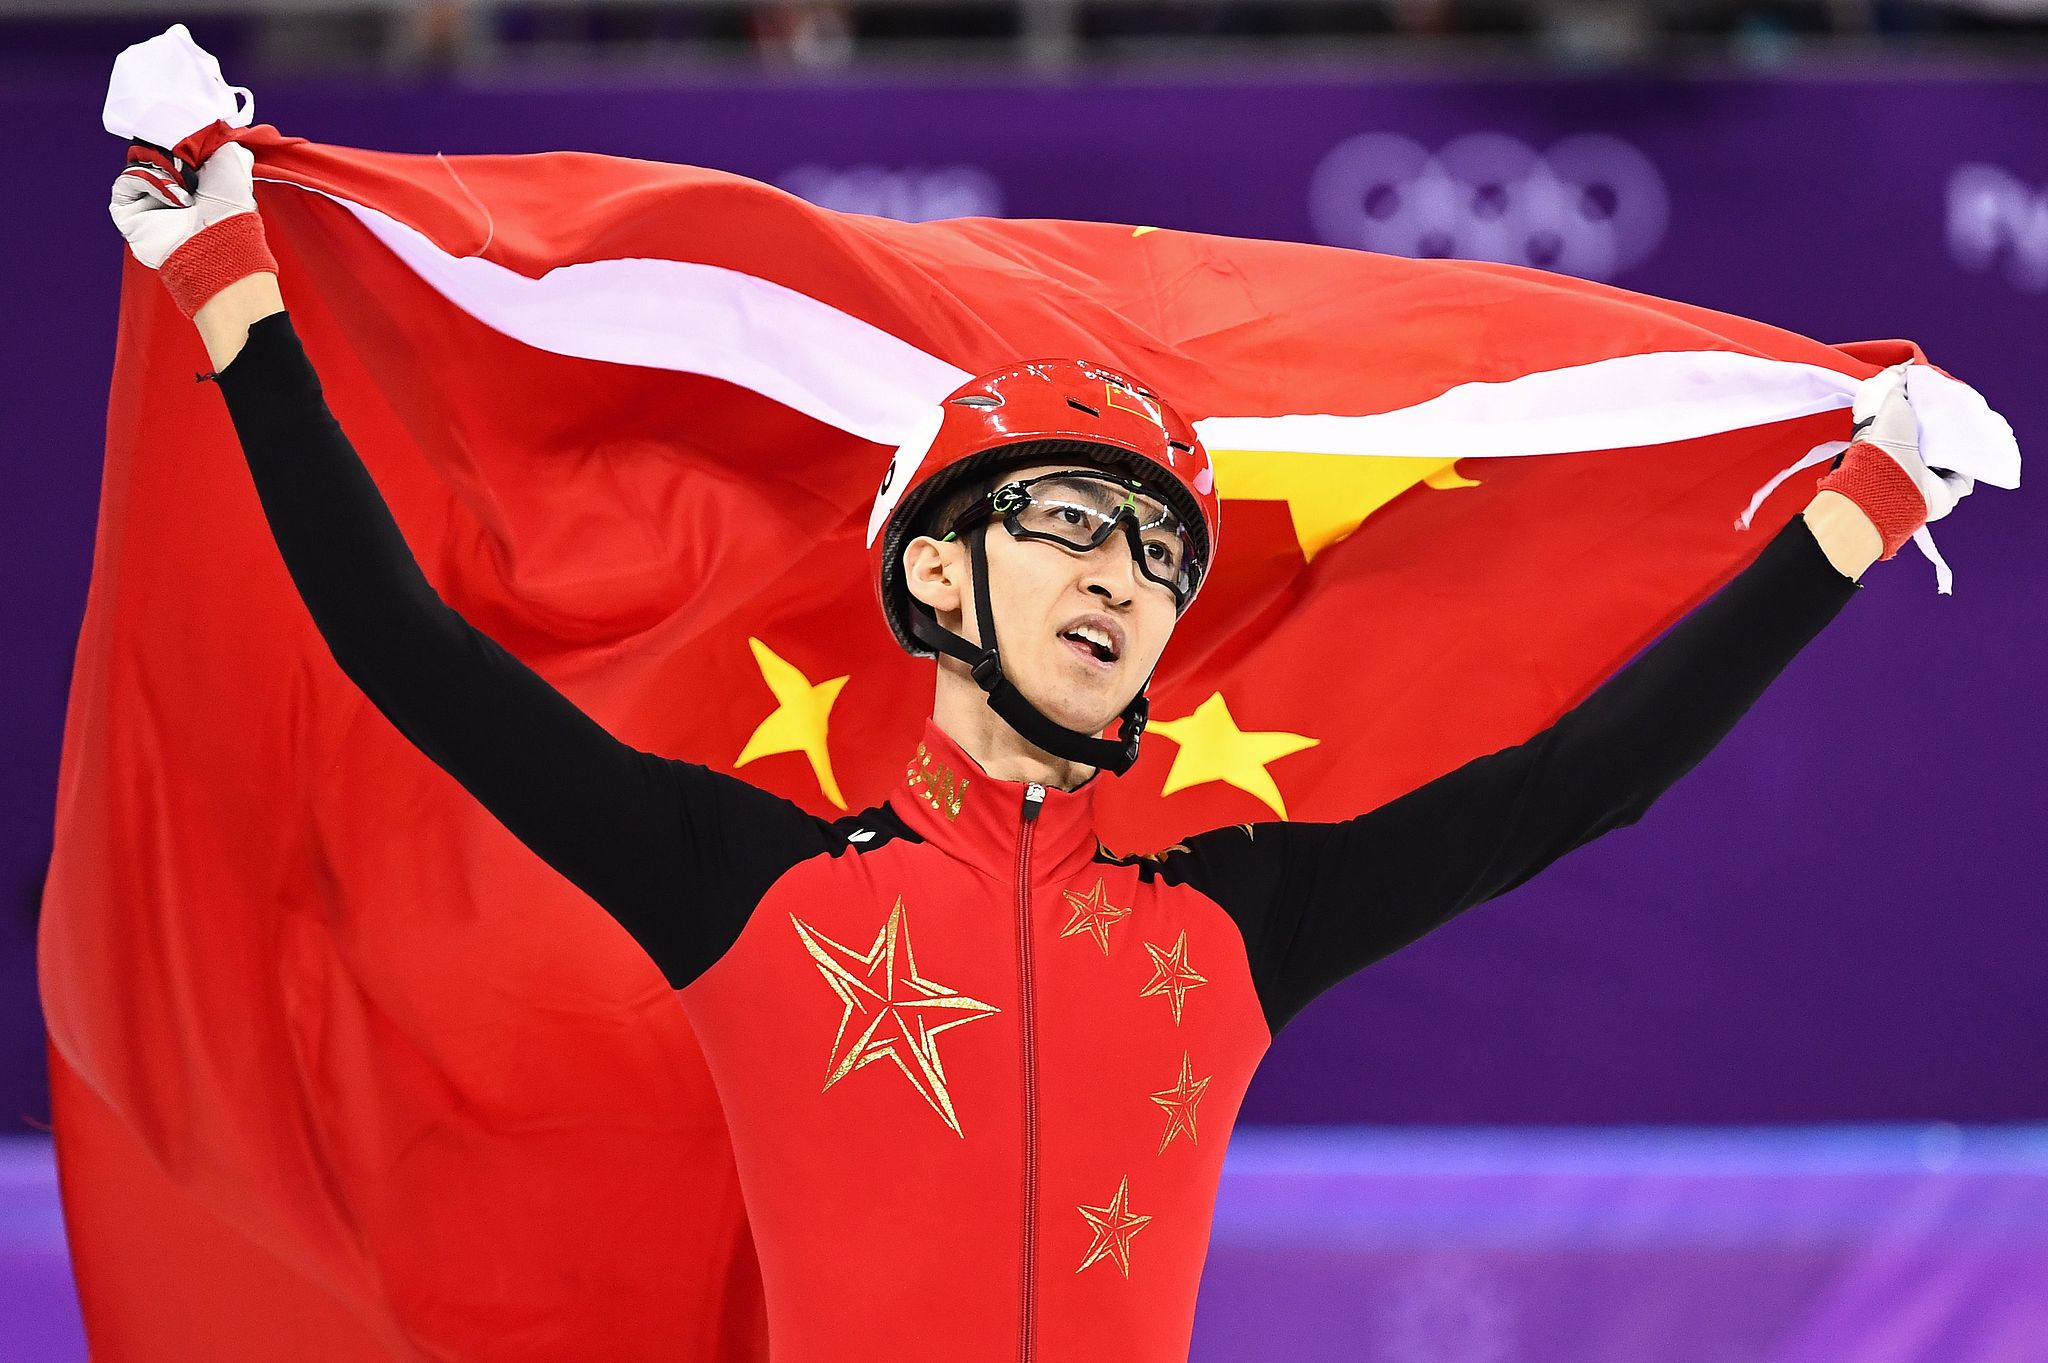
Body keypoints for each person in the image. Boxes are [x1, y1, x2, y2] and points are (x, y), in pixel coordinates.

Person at [110, 138, 1965, 1363]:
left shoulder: (1238, 920)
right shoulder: (746, 888)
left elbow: (1578, 787)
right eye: (1074, 526)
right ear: (936, 570)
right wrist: (234, 295)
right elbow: (407, 657)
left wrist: (1855, 516)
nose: (1128, 580)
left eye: (1161, 554)